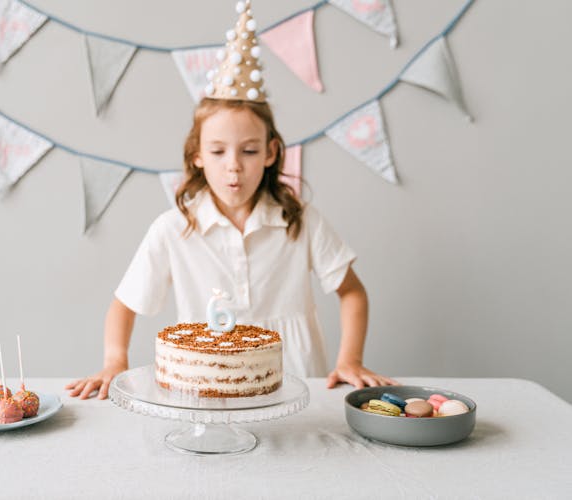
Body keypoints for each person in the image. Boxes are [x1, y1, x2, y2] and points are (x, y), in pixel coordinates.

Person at [66, 0, 396, 400]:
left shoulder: (299, 221)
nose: (234, 167)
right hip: (206, 394)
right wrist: (115, 361)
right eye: (219, 151)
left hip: (297, 389)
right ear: (197, 156)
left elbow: (352, 292)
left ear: (272, 152)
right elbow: (124, 304)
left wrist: (350, 359)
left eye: (250, 151)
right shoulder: (174, 228)